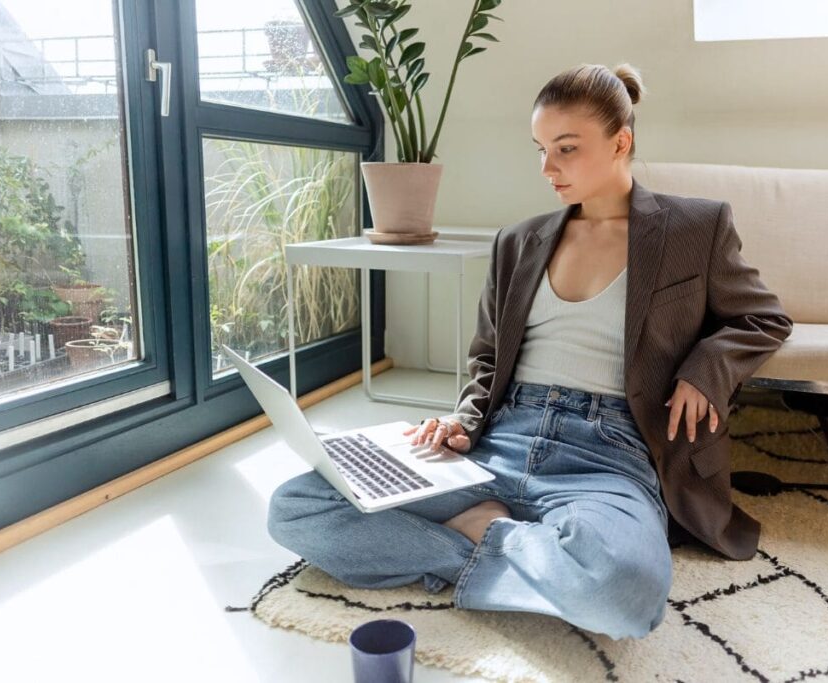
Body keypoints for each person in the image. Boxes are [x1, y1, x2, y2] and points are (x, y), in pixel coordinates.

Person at [267, 63, 794, 641]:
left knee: (626, 593)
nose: (548, 167)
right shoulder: (518, 240)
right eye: (541, 149)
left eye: (566, 148)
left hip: (609, 453)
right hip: (499, 439)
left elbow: (762, 317)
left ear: (622, 141)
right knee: (297, 507)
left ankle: (473, 538)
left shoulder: (695, 227)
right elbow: (488, 357)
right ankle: (499, 541)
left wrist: (705, 369)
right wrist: (463, 421)